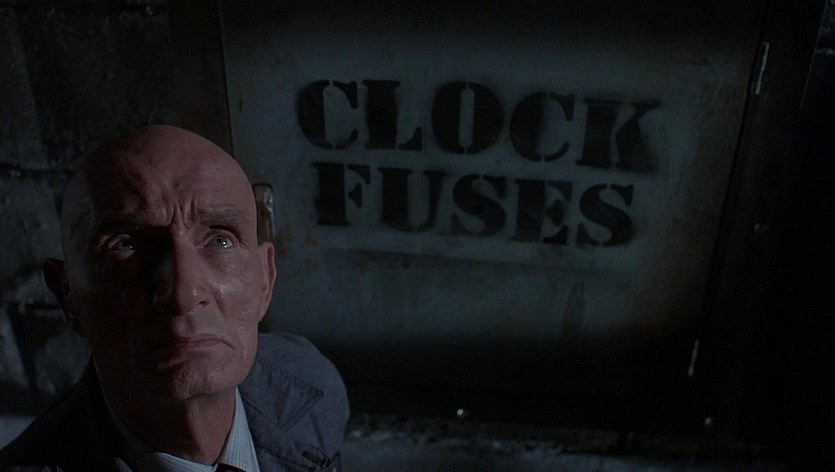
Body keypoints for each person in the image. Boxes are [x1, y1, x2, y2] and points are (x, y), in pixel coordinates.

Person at [0, 125, 349, 471]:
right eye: (126, 245)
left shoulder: (310, 381)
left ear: (265, 281)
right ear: (68, 296)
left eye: (220, 240)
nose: (184, 294)